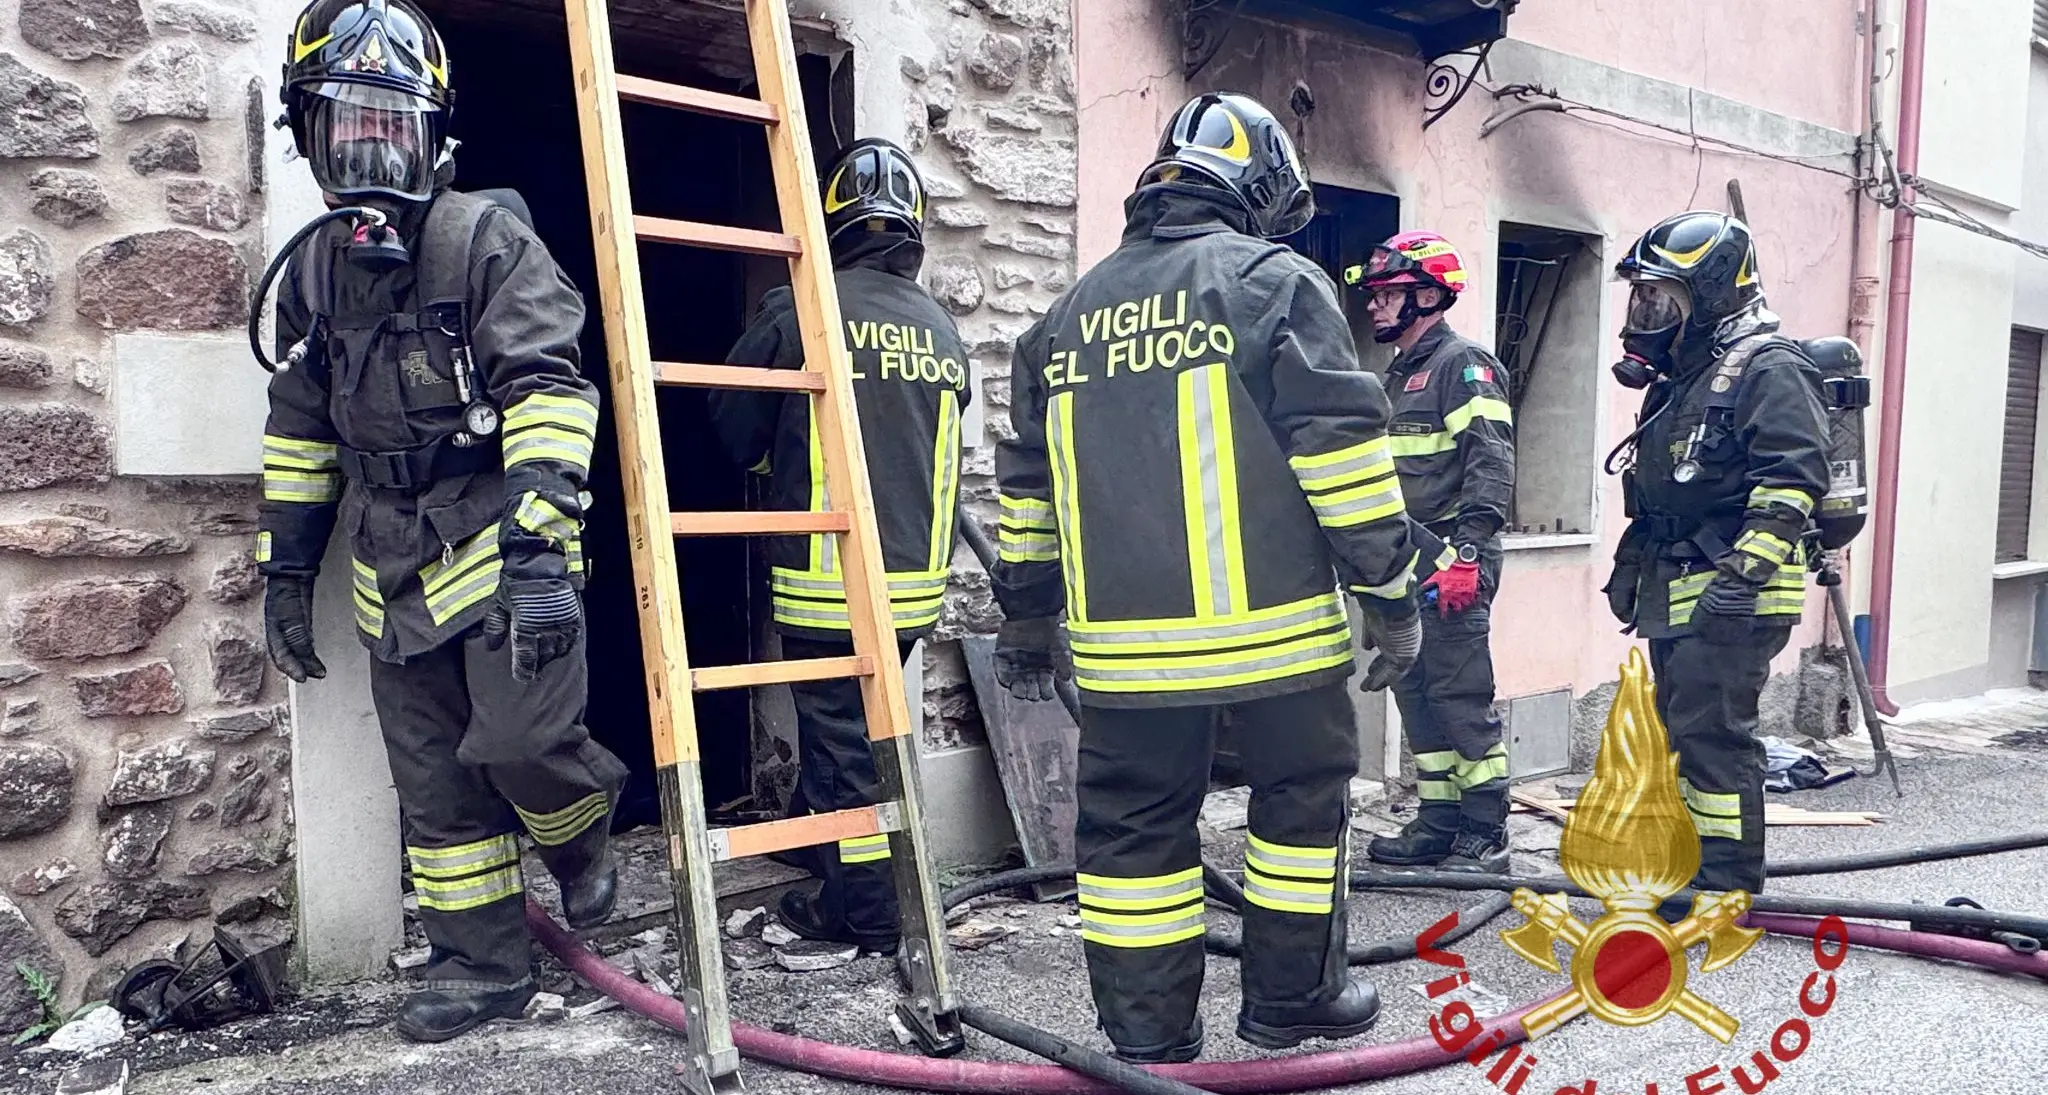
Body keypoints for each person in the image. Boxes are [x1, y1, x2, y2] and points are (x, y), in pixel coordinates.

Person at [988, 91, 1423, 1064]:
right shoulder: (1274, 282)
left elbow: (1029, 494)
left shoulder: (1064, 317)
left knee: (1131, 840)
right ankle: (1290, 1002)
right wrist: (1390, 598)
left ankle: (1147, 1042)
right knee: (1296, 815)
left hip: (1124, 659)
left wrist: (1024, 623)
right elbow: (1343, 463)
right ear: (1257, 184)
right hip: (1278, 648)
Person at [257, 0, 627, 1042]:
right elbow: (298, 425)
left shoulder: (484, 242)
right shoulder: (315, 273)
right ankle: (482, 968)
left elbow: (552, 391)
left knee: (521, 744)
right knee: (435, 790)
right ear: (307, 134)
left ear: (437, 140)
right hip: (389, 566)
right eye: (346, 127)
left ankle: (584, 837)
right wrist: (285, 569)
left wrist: (545, 549)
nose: (372, 153)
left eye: (395, 128)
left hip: (506, 551)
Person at [708, 138, 968, 954]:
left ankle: (865, 909)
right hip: (915, 590)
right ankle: (820, 847)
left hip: (825, 585)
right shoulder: (942, 329)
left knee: (847, 749)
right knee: (860, 732)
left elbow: (731, 421)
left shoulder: (801, 309)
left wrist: (772, 463)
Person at [1603, 210, 1829, 897]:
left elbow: (1793, 481)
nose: (1644, 314)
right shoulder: (1693, 374)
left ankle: (1724, 881)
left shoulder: (1770, 367)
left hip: (1733, 587)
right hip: (1685, 583)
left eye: (1660, 299)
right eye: (1640, 297)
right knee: (1684, 732)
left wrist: (1742, 577)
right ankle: (1693, 861)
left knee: (1715, 738)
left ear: (1709, 299)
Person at [1344, 232, 1516, 874]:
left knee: (1458, 694)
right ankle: (1439, 822)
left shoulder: (1464, 365)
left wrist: (1468, 551)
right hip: (1407, 558)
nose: (1376, 307)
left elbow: (1491, 460)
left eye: (1388, 295)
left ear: (1428, 294)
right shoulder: (1397, 377)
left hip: (1451, 555)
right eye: (1376, 296)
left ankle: (1487, 830)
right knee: (1415, 692)